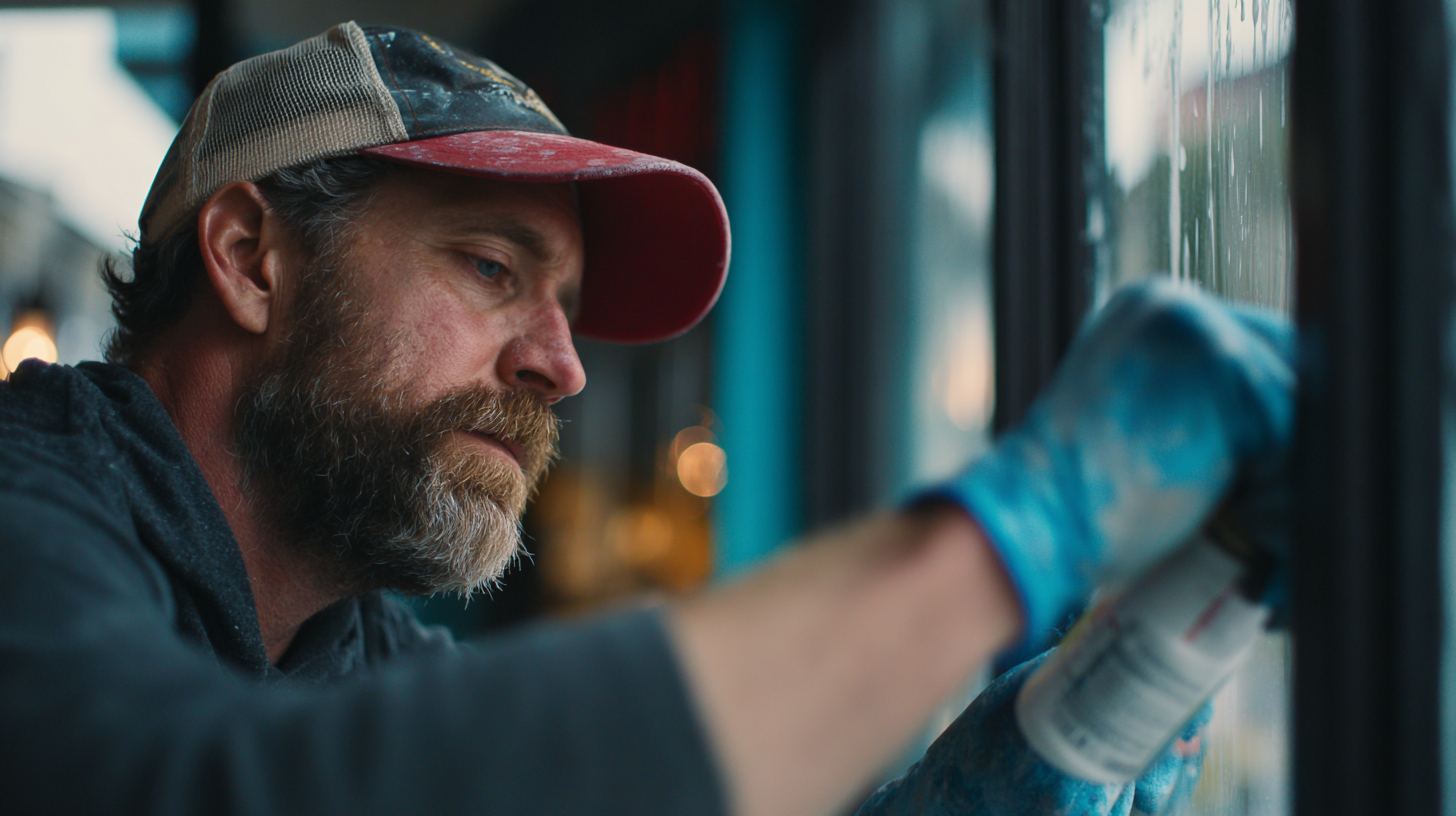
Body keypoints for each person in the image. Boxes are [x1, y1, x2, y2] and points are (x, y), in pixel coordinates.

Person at [0, 23, 1294, 816]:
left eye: (563, 303)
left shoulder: (357, 656)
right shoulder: (27, 510)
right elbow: (169, 789)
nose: (562, 363)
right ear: (250, 257)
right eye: (493, 270)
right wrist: (1026, 527)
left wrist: (1063, 730)